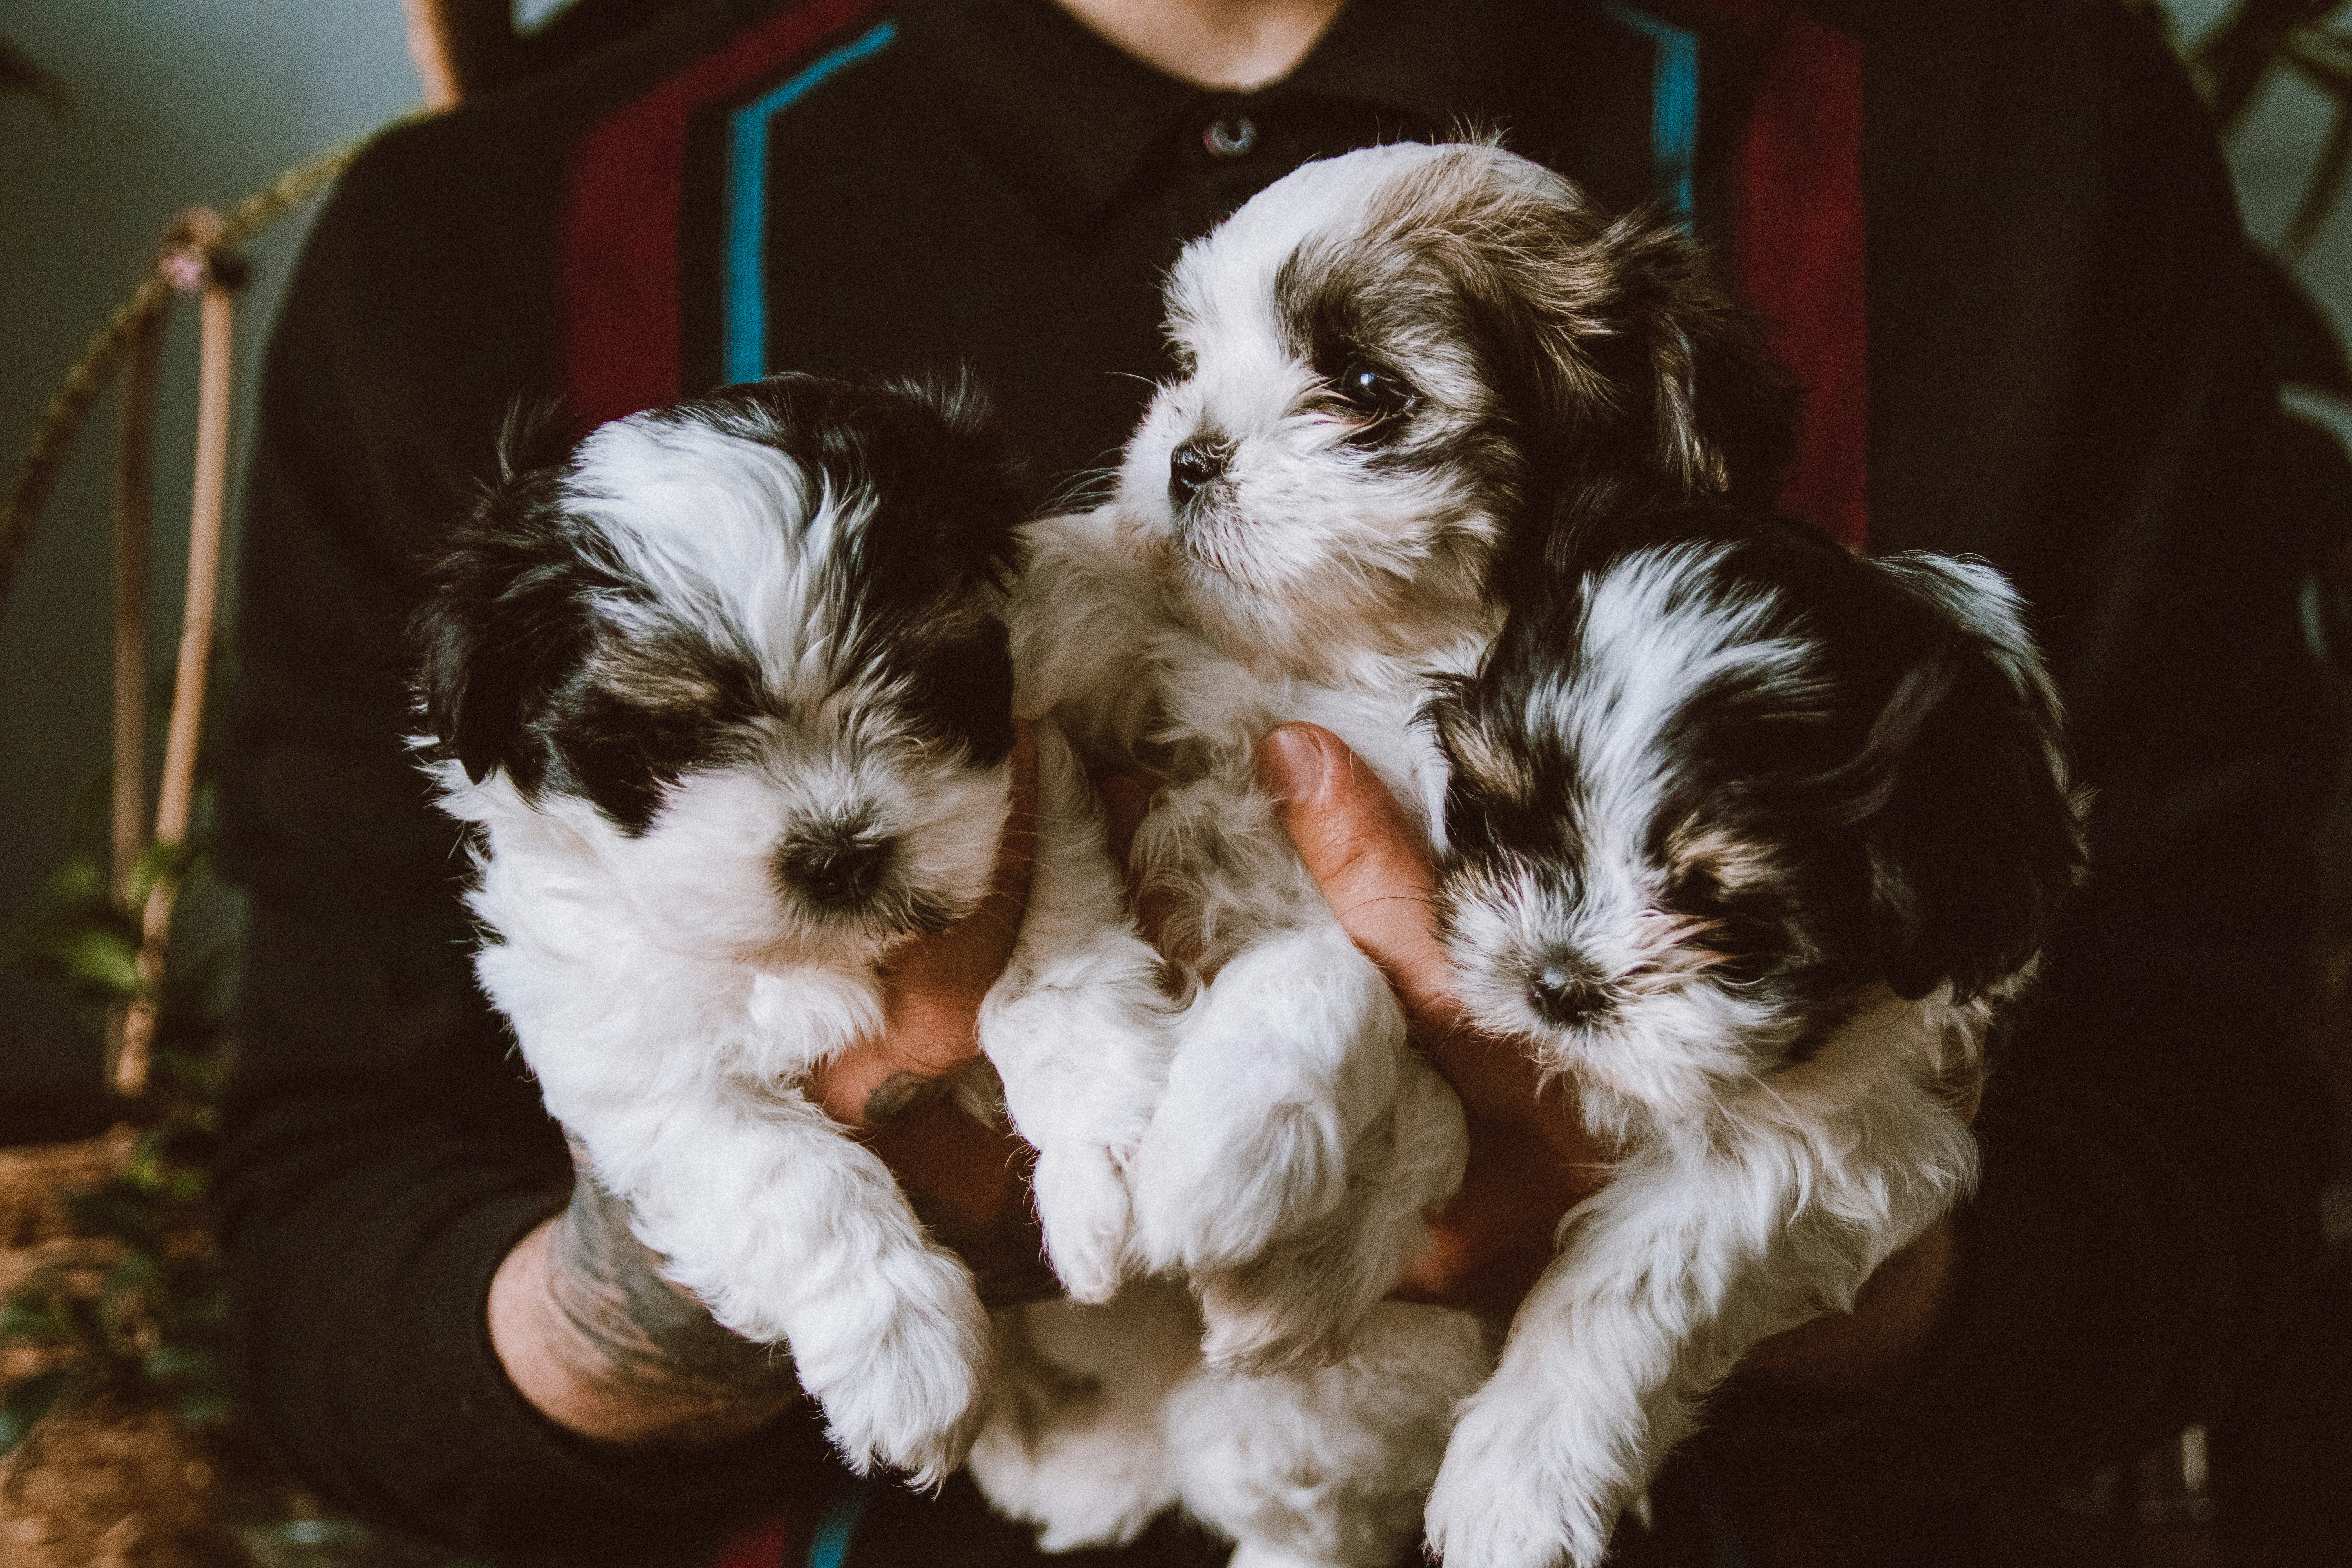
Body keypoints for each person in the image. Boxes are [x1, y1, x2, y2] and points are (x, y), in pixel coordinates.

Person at [213, 0, 2336, 1563]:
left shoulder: (2012, 126)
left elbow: (2217, 1161)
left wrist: (1679, 1253)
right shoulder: (482, 238)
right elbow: (324, 1281)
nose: (1193, 457)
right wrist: (707, 1263)